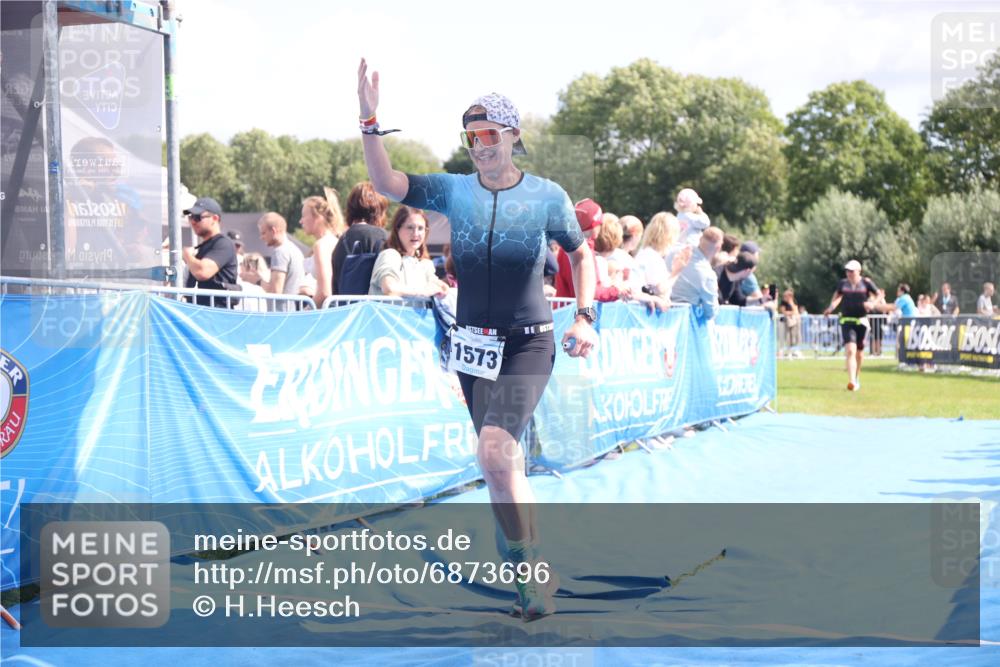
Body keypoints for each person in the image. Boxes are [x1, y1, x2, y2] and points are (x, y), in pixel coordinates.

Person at [358, 59, 597, 621]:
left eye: (490, 135)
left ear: (514, 136)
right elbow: (386, 184)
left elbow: (581, 254)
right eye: (471, 138)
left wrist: (585, 316)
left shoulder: (545, 196)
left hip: (528, 343)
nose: (480, 146)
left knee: (491, 451)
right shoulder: (455, 192)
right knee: (502, 464)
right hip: (473, 346)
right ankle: (534, 566)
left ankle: (525, 574)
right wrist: (369, 119)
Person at [822, 260, 880, 391]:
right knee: (850, 351)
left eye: (852, 271)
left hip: (862, 321)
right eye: (847, 270)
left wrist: (873, 303)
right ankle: (852, 380)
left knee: (859, 353)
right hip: (847, 321)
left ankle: (857, 376)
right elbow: (837, 296)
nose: (849, 273)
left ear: (859, 271)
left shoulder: (866, 283)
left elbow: (879, 294)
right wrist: (831, 307)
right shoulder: (843, 284)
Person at [369, 206, 450, 297]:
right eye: (410, 227)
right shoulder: (390, 255)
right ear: (397, 229)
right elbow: (389, 289)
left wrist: (443, 287)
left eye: (420, 228)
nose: (415, 233)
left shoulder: (425, 264)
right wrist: (423, 292)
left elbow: (435, 284)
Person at [553, 199, 624, 302]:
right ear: (595, 224)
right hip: (573, 313)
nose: (601, 227)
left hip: (568, 311)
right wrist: (617, 290)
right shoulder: (581, 249)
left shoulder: (570, 245)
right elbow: (591, 292)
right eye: (600, 223)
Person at [331, 182, 389, 296]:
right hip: (374, 309)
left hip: (346, 309)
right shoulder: (381, 236)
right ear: (379, 209)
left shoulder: (341, 240)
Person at [181, 196, 239, 308]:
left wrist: (188, 256)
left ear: (215, 219)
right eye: (191, 217)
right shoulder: (202, 247)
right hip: (201, 313)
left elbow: (202, 272)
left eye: (197, 217)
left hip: (217, 315)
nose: (193, 221)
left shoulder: (223, 244)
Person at [241, 212, 305, 312]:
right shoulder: (295, 250)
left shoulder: (280, 252)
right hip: (292, 313)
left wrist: (255, 280)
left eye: (263, 233)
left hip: (280, 316)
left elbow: (275, 291)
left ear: (273, 231)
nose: (261, 237)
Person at [300, 192, 345, 308]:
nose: (301, 221)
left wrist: (303, 313)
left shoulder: (321, 245)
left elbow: (324, 292)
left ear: (318, 217)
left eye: (304, 216)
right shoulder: (334, 241)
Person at [671, 226, 723, 320]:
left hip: (660, 315)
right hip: (684, 322)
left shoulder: (675, 253)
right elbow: (711, 312)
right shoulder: (708, 275)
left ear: (700, 239)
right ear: (718, 248)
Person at [778, 289, 802, 357]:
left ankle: (794, 351)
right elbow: (783, 312)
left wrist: (791, 304)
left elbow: (796, 312)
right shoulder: (783, 302)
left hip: (793, 322)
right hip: (784, 322)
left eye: (786, 296)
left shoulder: (794, 301)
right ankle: (783, 351)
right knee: (784, 337)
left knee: (794, 336)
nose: (785, 297)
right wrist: (791, 313)